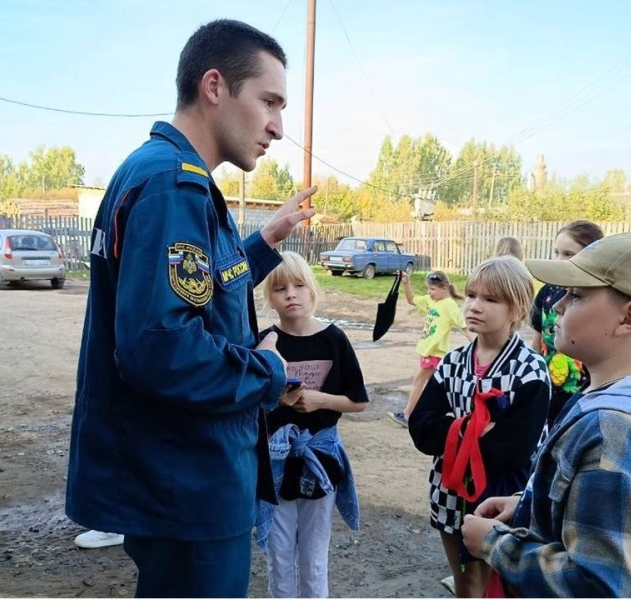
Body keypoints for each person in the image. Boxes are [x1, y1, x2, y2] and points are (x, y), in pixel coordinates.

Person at [65, 20, 316, 598]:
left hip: (180, 477)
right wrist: (270, 372)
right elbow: (163, 347)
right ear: (214, 86)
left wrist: (266, 239)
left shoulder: (165, 174)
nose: (278, 127)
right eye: (269, 101)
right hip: (188, 479)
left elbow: (202, 288)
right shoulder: (173, 186)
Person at [462, 233, 631, 597]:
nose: (558, 306)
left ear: (629, 318)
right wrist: (530, 504)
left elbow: (597, 585)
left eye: (576, 295)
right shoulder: (619, 394)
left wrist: (495, 544)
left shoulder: (613, 435)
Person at [408, 257, 551, 598]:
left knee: (498, 586)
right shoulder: (452, 362)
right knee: (465, 583)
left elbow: (514, 451)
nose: (474, 306)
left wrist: (452, 429)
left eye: (491, 299)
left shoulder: (530, 370)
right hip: (449, 492)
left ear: (517, 308)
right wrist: (477, 429)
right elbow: (420, 429)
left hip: (503, 498)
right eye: (471, 295)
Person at [255, 251, 368, 598]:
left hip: (320, 458)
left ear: (313, 290)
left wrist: (319, 400)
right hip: (275, 462)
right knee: (279, 555)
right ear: (269, 298)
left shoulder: (334, 339)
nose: (291, 294)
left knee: (315, 557)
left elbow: (359, 401)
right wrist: (276, 401)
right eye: (280, 288)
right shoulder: (265, 342)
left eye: (299, 285)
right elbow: (253, 405)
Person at [530, 220, 604, 429]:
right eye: (556, 252)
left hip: (584, 395)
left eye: (568, 254)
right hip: (548, 390)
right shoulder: (547, 292)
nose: (559, 260)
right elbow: (536, 341)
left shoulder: (597, 298)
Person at [387, 271, 473, 428]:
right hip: (428, 351)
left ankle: (407, 415)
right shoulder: (430, 301)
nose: (429, 292)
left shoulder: (449, 306)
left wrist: (479, 346)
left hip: (435, 353)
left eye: (432, 289)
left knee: (419, 382)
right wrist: (406, 283)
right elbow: (411, 300)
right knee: (443, 387)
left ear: (444, 288)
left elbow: (464, 328)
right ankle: (463, 413)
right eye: (428, 289)